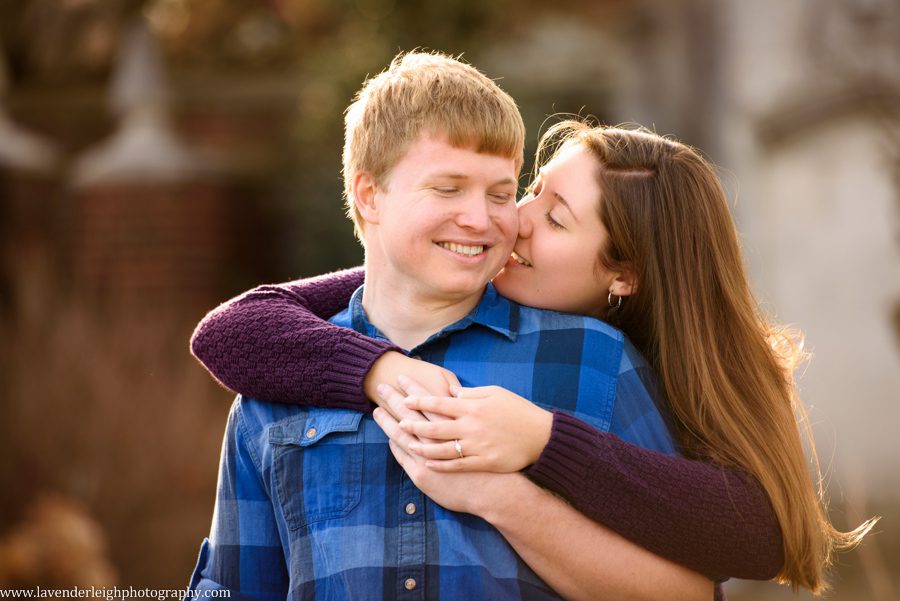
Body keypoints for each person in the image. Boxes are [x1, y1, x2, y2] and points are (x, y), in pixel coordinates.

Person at [190, 116, 877, 595]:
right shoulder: (461, 279)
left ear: (624, 275)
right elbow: (238, 327)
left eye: (554, 218)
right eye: (533, 189)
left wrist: (539, 443)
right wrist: (381, 367)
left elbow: (755, 537)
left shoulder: (619, 366)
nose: (514, 218)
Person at [187, 51, 714, 601]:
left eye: (502, 194)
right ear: (369, 195)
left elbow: (692, 580)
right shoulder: (276, 388)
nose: (480, 219)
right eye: (447, 188)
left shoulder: (595, 362)